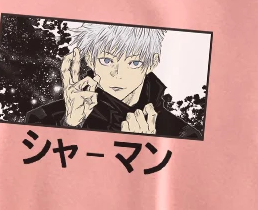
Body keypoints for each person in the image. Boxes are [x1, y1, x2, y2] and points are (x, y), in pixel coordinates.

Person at [24, 22, 202, 139]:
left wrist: (145, 149)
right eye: (107, 60)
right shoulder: (43, 119)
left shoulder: (182, 134)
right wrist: (70, 124)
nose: (118, 74)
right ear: (90, 59)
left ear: (152, 63)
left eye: (134, 63)